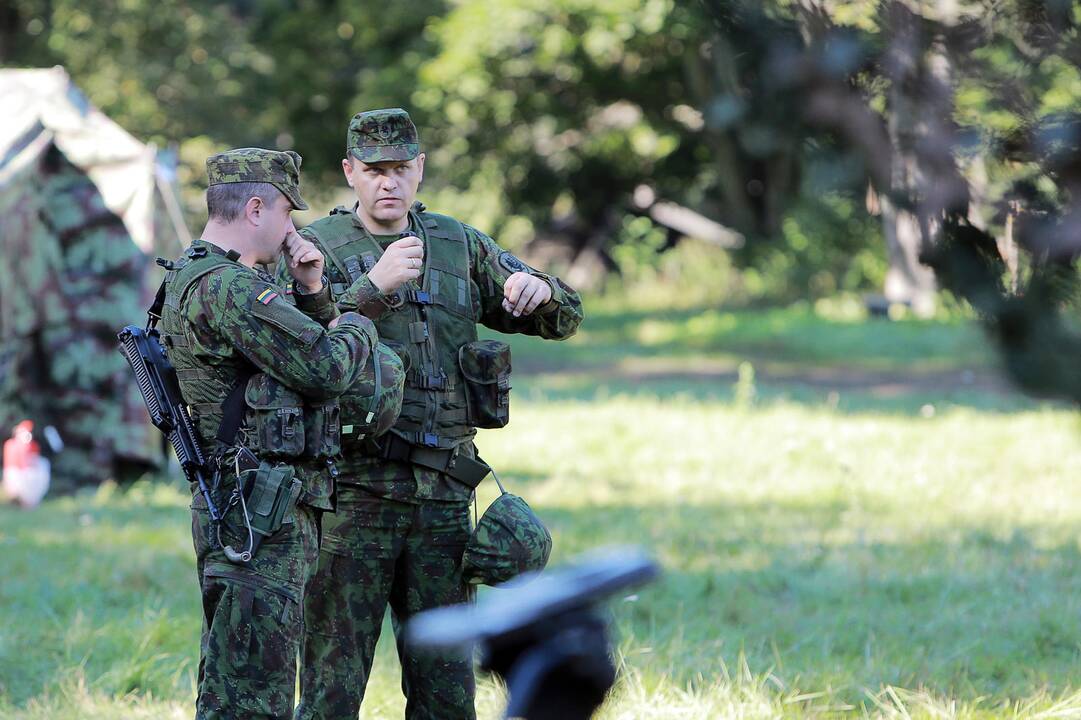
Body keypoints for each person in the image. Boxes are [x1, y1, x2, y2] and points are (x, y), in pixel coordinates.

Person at [289, 109, 584, 720]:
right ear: (350, 172)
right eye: (374, 170)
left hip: (444, 497)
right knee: (330, 688)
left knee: (447, 692)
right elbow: (297, 351)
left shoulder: (457, 243)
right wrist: (371, 287)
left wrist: (542, 293)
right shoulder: (314, 248)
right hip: (353, 495)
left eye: (401, 168)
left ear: (419, 168)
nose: (388, 182)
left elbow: (565, 315)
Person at [158, 147, 379, 719]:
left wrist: (311, 290)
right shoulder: (230, 288)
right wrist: (360, 310)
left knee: (234, 680)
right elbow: (327, 367)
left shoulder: (191, 273)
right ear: (256, 208)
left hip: (247, 509)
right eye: (287, 212)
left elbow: (294, 350)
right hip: (258, 517)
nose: (291, 229)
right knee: (253, 696)